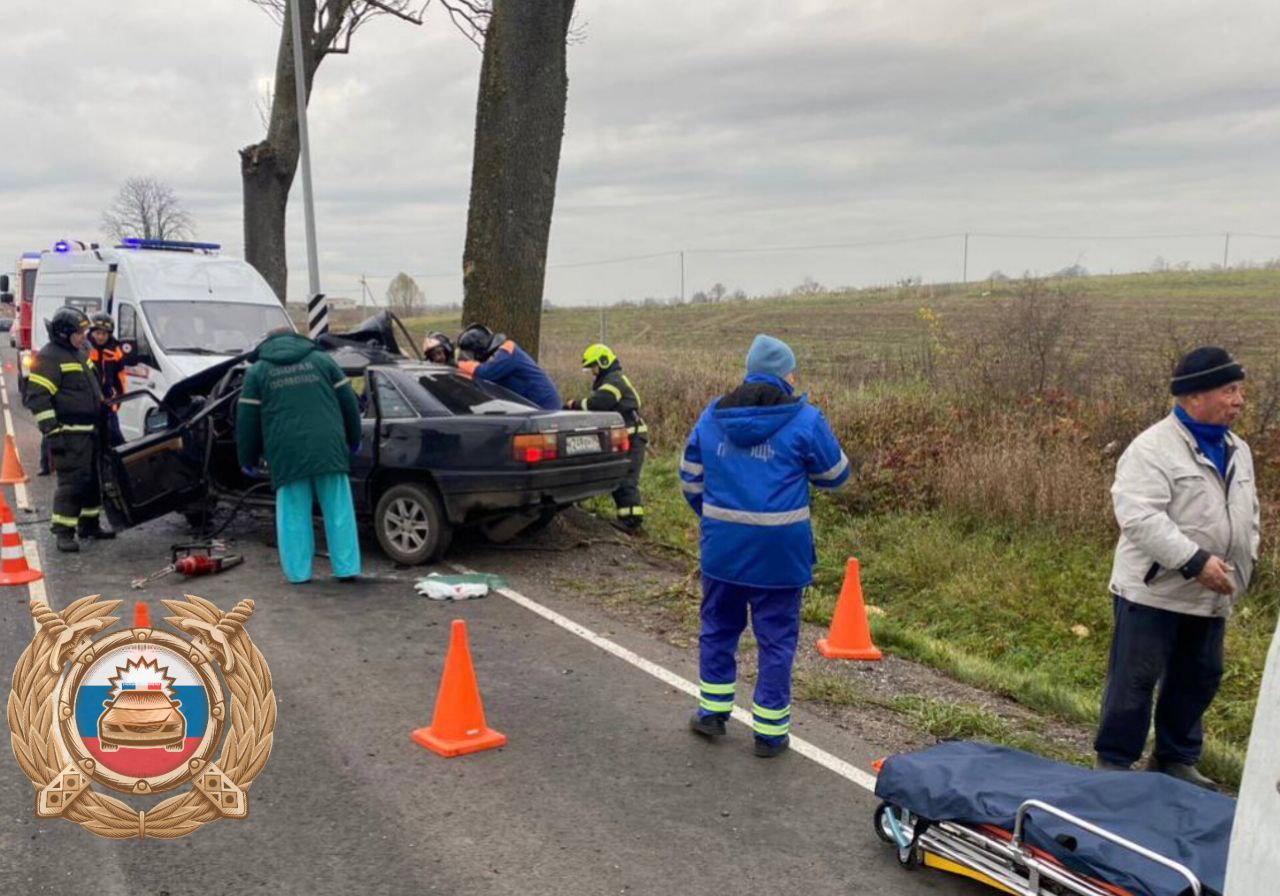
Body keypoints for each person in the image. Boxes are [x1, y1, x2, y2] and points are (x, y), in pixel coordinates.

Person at [1095, 346, 1259, 789]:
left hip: (1212, 594)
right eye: (1230, 390)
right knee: (1135, 681)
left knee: (1198, 679)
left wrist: (1246, 564)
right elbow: (1139, 517)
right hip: (1154, 590)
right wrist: (1194, 561)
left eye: (1240, 390)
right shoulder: (1152, 448)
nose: (1240, 400)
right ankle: (1114, 764)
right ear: (1194, 396)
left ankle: (1174, 760)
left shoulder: (1237, 449)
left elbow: (1250, 514)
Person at [680, 334, 851, 757]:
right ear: (786, 375)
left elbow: (689, 479)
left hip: (723, 550)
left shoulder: (713, 415)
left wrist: (717, 517)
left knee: (718, 628)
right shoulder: (806, 419)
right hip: (780, 556)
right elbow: (837, 477)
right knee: (776, 639)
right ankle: (770, 735)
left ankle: (712, 713)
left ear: (749, 369)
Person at [236, 328, 364, 584]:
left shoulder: (258, 372)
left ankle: (298, 573)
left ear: (268, 343)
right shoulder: (322, 361)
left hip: (286, 452)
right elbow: (349, 401)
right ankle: (347, 567)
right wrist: (354, 438)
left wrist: (247, 457)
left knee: (294, 513)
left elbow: (246, 420)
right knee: (338, 508)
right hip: (328, 446)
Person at [23, 307, 115, 552]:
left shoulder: (78, 352)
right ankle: (63, 531)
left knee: (92, 480)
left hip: (89, 431)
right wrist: (53, 433)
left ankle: (89, 524)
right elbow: (38, 398)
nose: (83, 336)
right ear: (64, 334)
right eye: (79, 332)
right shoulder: (50, 357)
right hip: (69, 433)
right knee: (73, 482)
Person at [564, 344, 647, 532]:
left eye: (594, 367)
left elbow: (598, 403)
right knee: (620, 476)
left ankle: (632, 521)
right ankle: (627, 519)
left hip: (633, 436)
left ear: (603, 362)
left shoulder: (613, 381)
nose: (593, 372)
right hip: (626, 436)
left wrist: (573, 405)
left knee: (627, 478)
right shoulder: (611, 379)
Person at [456, 323, 561, 410]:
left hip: (544, 405)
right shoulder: (503, 353)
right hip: (533, 404)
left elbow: (487, 372)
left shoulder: (508, 352)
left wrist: (459, 364)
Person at [87, 312, 127, 446]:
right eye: (97, 333)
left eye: (104, 334)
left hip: (108, 399)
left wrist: (119, 398)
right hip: (89, 399)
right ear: (92, 332)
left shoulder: (114, 349)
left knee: (115, 436)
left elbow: (120, 376)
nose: (100, 337)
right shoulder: (84, 348)